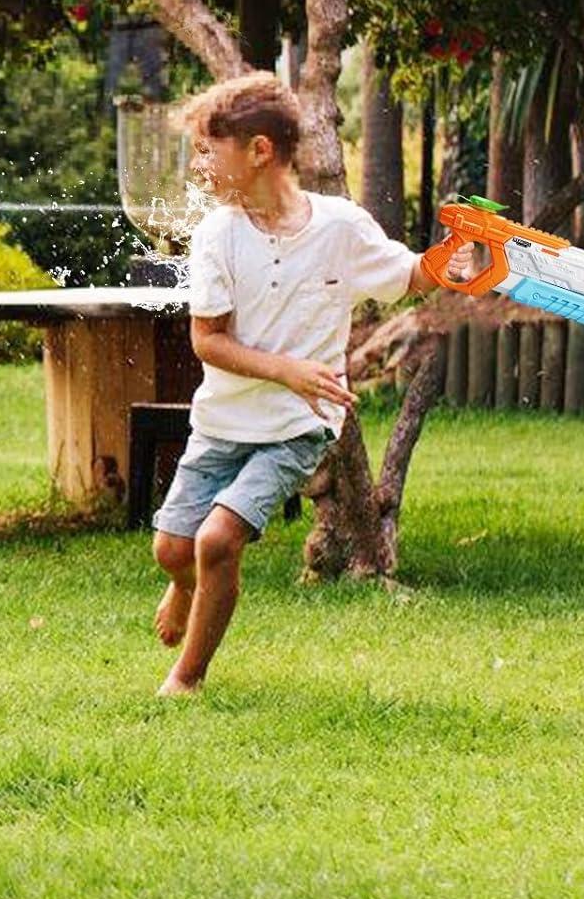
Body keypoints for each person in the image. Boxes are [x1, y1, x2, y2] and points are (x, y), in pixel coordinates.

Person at [151, 71, 469, 697]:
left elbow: (408, 274)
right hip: (222, 421)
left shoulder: (340, 227)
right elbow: (208, 340)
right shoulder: (217, 234)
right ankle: (184, 585)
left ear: (259, 151)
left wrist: (445, 265)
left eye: (208, 151)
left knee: (217, 542)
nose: (198, 166)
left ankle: (186, 679)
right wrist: (289, 370)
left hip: (299, 425)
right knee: (173, 550)